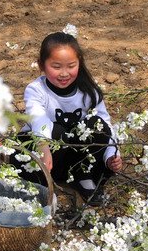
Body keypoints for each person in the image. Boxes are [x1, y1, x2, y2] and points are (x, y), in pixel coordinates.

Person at [13, 32, 122, 206]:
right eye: (56, 67)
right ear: (41, 64)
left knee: (96, 125)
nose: (64, 73)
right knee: (57, 132)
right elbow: (38, 119)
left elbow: (105, 125)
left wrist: (111, 155)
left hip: (74, 158)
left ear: (79, 62)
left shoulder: (89, 92)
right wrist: (44, 147)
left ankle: (84, 177)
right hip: (45, 155)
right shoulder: (36, 90)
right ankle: (41, 184)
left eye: (71, 66)